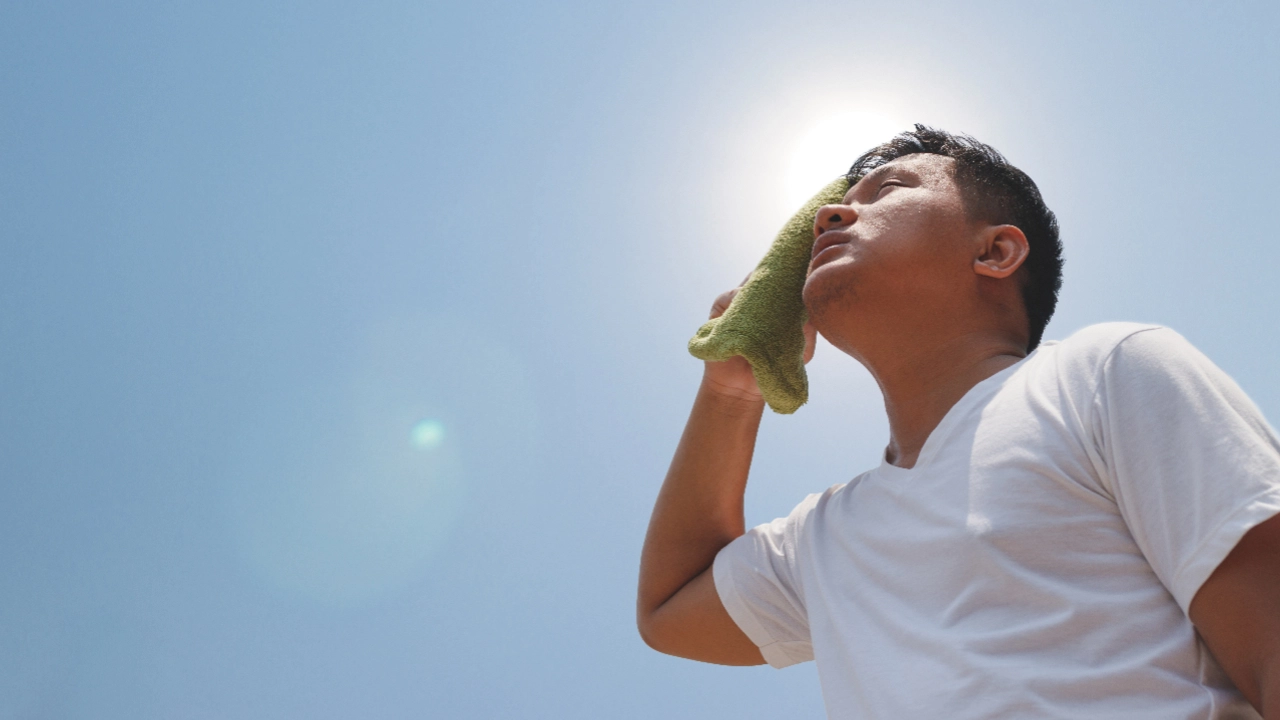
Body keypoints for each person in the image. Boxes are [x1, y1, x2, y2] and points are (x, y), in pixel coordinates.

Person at [636, 125, 1280, 719]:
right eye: (830, 211)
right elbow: (670, 609)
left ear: (996, 251)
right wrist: (729, 388)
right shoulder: (825, 537)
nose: (829, 216)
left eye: (888, 191)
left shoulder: (1103, 374)